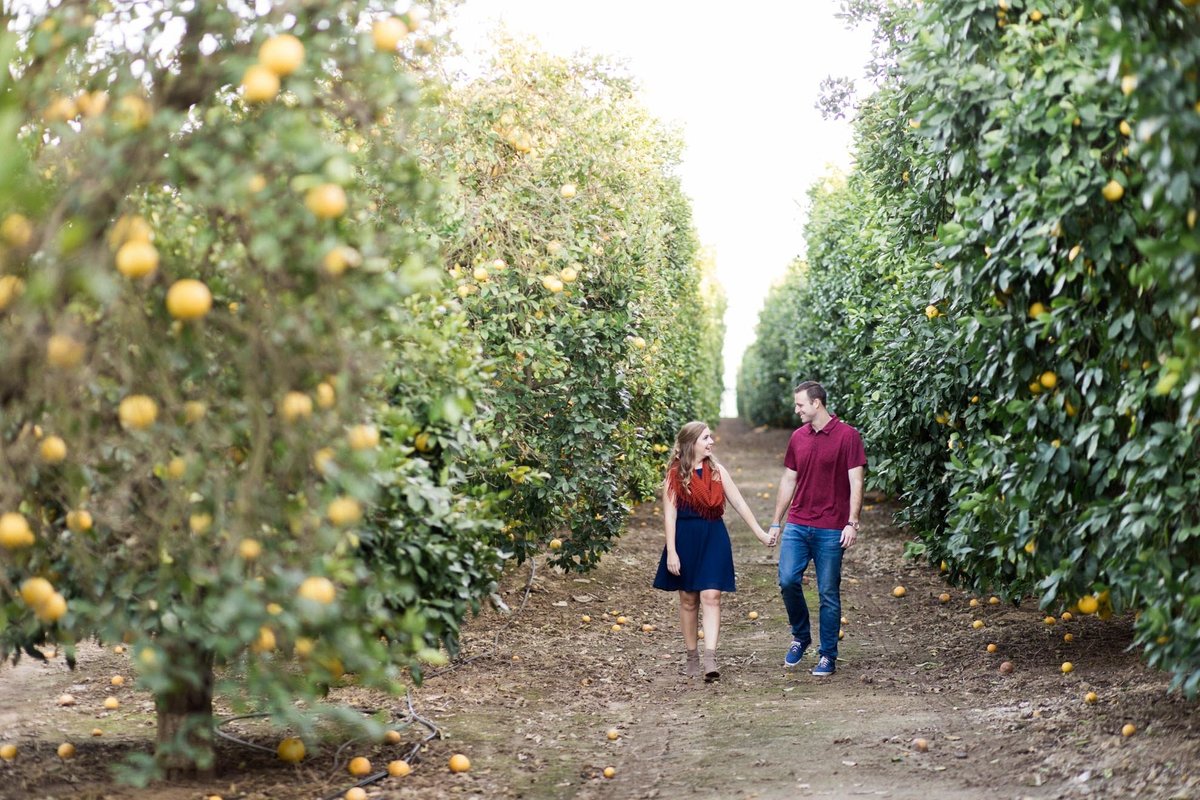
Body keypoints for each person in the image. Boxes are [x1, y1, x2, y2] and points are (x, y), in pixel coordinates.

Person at [653, 421, 776, 682]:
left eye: (711, 438)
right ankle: (692, 656)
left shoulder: (717, 472)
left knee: (712, 595)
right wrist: (672, 552)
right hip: (685, 538)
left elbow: (740, 503)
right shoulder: (675, 475)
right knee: (688, 600)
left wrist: (761, 534)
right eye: (706, 438)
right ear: (691, 443)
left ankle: (710, 657)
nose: (711, 442)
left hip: (713, 536)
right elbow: (669, 516)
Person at [769, 381, 866, 677]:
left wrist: (852, 521)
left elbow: (856, 481)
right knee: (787, 580)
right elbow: (788, 480)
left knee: (827, 592)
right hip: (798, 523)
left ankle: (827, 655)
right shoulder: (798, 437)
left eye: (800, 405)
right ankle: (801, 636)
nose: (796, 409)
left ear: (817, 404)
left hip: (831, 528)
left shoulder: (848, 436)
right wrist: (776, 521)